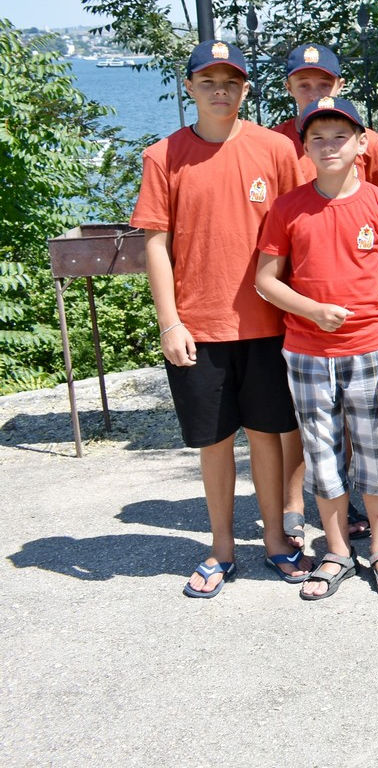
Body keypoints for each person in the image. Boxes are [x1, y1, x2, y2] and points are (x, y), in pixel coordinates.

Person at [132, 40, 303, 598]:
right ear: (189, 88)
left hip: (271, 322)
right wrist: (170, 322)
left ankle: (276, 539)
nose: (220, 91)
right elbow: (155, 246)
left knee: (269, 436)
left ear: (246, 88)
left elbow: (299, 228)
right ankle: (222, 549)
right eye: (208, 81)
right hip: (199, 325)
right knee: (214, 440)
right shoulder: (164, 156)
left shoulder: (275, 149)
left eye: (230, 81)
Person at [255, 96, 378, 598]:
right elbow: (265, 280)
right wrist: (311, 310)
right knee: (323, 457)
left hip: (370, 351)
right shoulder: (288, 207)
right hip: (306, 354)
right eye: (317, 138)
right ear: (304, 147)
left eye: (340, 136)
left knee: (376, 451)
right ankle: (337, 551)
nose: (329, 146)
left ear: (362, 143)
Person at [272, 43, 378, 189]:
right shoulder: (275, 142)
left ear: (340, 86)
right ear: (289, 87)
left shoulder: (366, 141)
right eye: (304, 86)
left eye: (324, 85)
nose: (314, 96)